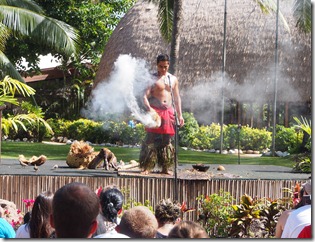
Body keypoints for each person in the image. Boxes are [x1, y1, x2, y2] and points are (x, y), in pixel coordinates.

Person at [139, 53, 184, 175]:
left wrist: (180, 115)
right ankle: (147, 167)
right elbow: (144, 96)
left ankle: (165, 167)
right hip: (156, 111)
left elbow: (177, 97)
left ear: (168, 65)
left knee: (166, 140)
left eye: (165, 66)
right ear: (157, 65)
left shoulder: (173, 79)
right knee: (150, 139)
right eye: (160, 66)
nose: (163, 69)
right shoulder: (152, 79)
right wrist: (149, 109)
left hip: (169, 111)